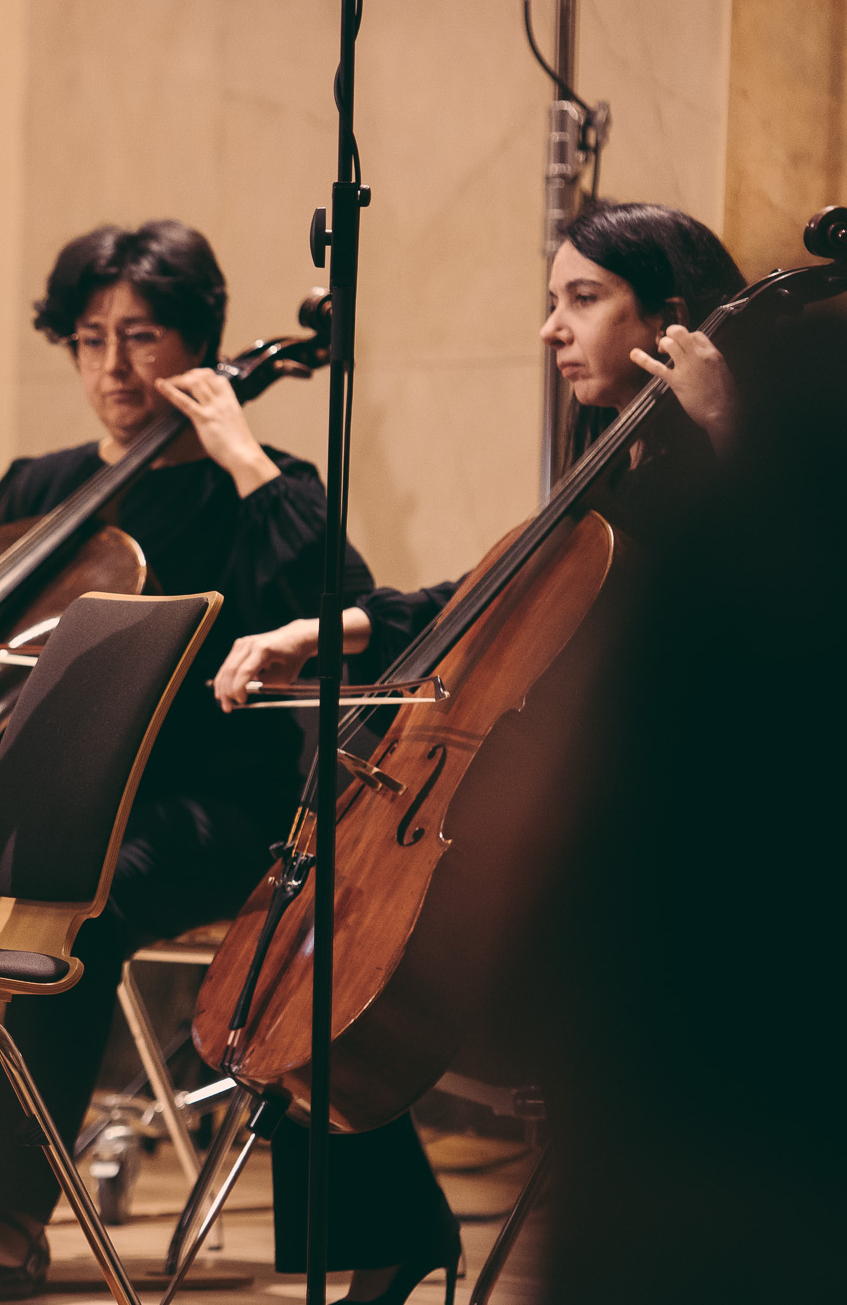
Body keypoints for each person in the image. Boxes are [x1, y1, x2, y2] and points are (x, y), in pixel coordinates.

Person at [0, 221, 374, 1299]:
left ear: (199, 343)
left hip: (203, 804)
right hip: (15, 794)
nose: (114, 368)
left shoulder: (258, 485)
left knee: (76, 898)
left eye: (143, 336)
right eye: (89, 339)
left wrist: (241, 455)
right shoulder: (42, 483)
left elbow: (340, 602)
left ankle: (14, 1215)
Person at [211, 201, 748, 1305]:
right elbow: (473, 598)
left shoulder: (728, 479)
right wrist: (323, 628)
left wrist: (730, 422)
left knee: (349, 990)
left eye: (582, 299)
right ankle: (393, 1234)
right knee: (319, 981)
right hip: (563, 827)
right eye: (552, 301)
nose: (552, 329)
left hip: (664, 850)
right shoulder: (616, 466)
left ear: (670, 317)